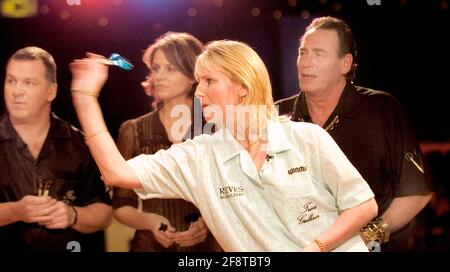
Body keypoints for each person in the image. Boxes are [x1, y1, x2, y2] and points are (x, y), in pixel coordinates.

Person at [69, 40, 378, 252]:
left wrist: (316, 247)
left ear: (243, 86)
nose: (199, 92)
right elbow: (116, 173)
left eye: (209, 81)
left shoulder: (307, 138)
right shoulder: (200, 156)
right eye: (197, 82)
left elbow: (363, 205)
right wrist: (85, 97)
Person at [275, 16, 433, 251]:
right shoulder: (276, 115)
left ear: (345, 63)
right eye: (303, 52)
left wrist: (367, 238)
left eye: (318, 54)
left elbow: (417, 192)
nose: (305, 62)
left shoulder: (381, 110)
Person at [112, 32, 221, 251]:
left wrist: (207, 224)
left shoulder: (217, 127)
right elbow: (121, 206)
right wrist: (150, 222)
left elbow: (233, 194)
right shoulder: (133, 130)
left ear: (193, 75)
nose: (158, 76)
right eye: (155, 68)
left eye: (170, 68)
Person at [0, 47, 112, 252]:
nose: (16, 91)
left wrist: (72, 215)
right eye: (11, 81)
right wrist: (15, 211)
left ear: (51, 91)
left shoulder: (80, 144)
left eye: (29, 82)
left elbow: (105, 214)